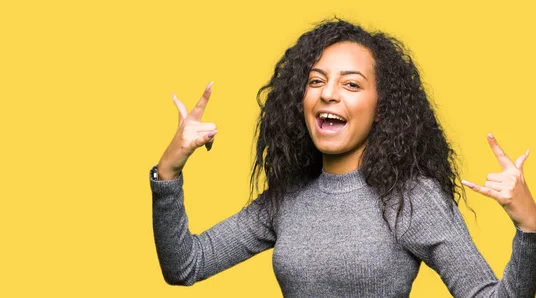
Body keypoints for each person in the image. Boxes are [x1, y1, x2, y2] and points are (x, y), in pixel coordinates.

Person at [149, 18, 536, 297]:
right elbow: (186, 265)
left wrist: (529, 228)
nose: (328, 94)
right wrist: (168, 172)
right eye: (316, 80)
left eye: (351, 84)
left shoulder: (412, 200)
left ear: (382, 108)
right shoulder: (287, 200)